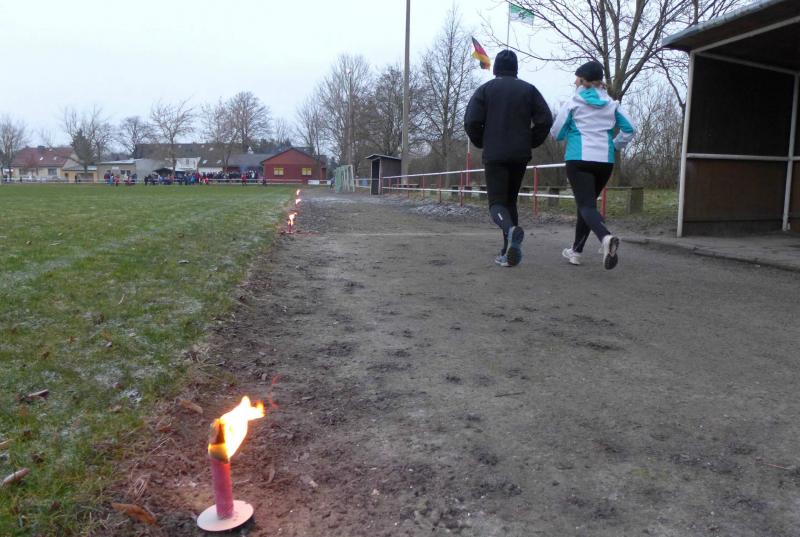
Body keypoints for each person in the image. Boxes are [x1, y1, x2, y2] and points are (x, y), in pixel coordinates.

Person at [464, 50, 553, 267]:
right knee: (510, 202)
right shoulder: (529, 90)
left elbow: (471, 121)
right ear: (515, 68)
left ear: (495, 68)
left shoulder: (485, 90)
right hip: (519, 155)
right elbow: (545, 120)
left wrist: (481, 141)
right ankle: (508, 252)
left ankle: (510, 231)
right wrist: (530, 141)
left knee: (496, 204)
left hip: (495, 154)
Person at [550, 60, 636, 270]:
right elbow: (630, 129)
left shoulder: (573, 103)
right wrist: (614, 145)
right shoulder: (612, 103)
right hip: (604, 162)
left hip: (579, 159)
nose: (574, 82)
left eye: (576, 78)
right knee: (587, 205)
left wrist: (569, 132)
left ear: (583, 81)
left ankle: (605, 237)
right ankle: (576, 251)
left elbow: (556, 132)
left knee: (586, 206)